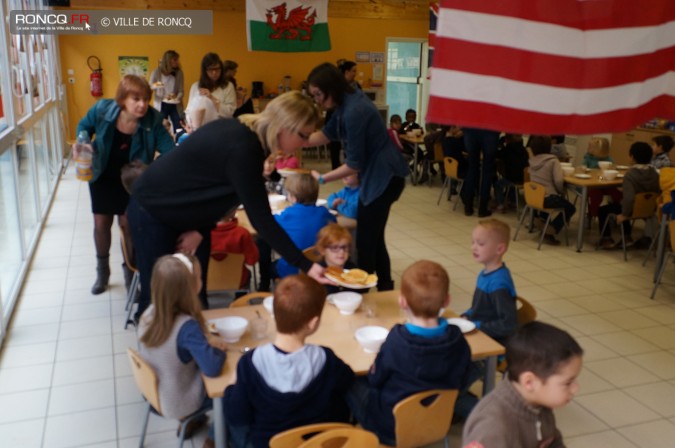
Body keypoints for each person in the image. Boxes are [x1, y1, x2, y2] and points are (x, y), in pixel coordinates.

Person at [127, 91, 331, 323]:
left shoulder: (251, 141)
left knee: (195, 294)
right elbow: (262, 220)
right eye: (303, 136)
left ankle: (196, 350)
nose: (305, 144)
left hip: (184, 213)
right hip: (152, 209)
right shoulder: (244, 147)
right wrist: (306, 264)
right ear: (283, 126)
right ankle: (154, 354)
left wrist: (200, 229)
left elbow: (209, 191)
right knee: (158, 297)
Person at [306, 62, 409, 291]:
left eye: (318, 94)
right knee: (374, 237)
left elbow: (354, 164)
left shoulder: (355, 111)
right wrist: (301, 140)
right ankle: (384, 288)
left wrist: (322, 179)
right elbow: (327, 133)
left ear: (331, 88)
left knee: (365, 241)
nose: (318, 100)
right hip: (382, 175)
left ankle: (361, 293)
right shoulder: (345, 104)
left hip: (385, 177)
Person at [347, 260, 473, 445]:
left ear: (402, 301)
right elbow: (462, 379)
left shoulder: (397, 340)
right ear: (447, 301)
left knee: (349, 380)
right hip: (435, 424)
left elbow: (376, 380)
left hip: (389, 428)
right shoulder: (458, 340)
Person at [223, 275, 355, 448]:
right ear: (313, 323)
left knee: (228, 424)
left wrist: (232, 385)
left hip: (268, 444)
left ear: (274, 314)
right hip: (316, 444)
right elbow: (348, 380)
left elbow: (236, 416)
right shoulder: (325, 358)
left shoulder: (250, 363)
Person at [74, 74, 175, 295]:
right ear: (123, 99)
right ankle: (103, 272)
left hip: (132, 180)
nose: (142, 105)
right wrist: (82, 140)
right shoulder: (102, 109)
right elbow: (84, 126)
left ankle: (130, 272)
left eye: (145, 99)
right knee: (101, 223)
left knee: (128, 224)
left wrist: (161, 168)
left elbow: (171, 152)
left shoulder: (153, 120)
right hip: (103, 174)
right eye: (135, 99)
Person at [138, 254, 227, 440]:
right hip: (179, 400)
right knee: (232, 389)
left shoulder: (148, 314)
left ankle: (191, 422)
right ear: (191, 288)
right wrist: (218, 351)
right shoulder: (187, 327)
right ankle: (215, 436)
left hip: (154, 394)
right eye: (199, 278)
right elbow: (212, 368)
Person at [462, 321, 583, 448]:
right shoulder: (492, 427)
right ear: (529, 382)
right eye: (568, 382)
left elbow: (552, 439)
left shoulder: (539, 403)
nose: (575, 388)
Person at [257, 173, 336, 289]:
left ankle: (264, 285)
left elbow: (269, 226)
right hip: (320, 267)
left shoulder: (286, 215)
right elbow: (334, 223)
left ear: (292, 197)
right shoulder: (324, 213)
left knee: (263, 244)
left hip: (291, 270)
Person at [462, 219, 517, 344]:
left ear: (499, 249)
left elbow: (508, 325)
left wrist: (476, 325)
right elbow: (480, 308)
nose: (473, 247)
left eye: (480, 244)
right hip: (481, 330)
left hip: (493, 341)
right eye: (473, 242)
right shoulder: (485, 273)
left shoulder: (498, 284)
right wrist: (467, 315)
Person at [598, 142, 661, 250]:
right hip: (649, 209)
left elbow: (629, 198)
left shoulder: (631, 175)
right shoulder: (654, 173)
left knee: (604, 210)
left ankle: (607, 238)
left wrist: (624, 215)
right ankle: (627, 238)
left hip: (633, 209)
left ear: (632, 157)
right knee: (623, 205)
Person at [528, 135, 577, 245]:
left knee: (551, 199)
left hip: (534, 197)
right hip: (548, 198)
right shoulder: (553, 161)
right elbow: (559, 181)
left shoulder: (532, 160)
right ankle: (551, 230)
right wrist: (560, 191)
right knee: (570, 208)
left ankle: (542, 222)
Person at [210, 209, 259, 289]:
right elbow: (252, 261)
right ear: (233, 211)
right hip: (238, 280)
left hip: (206, 280)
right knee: (247, 273)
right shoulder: (242, 233)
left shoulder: (199, 235)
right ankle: (239, 298)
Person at [185, 53, 235, 130]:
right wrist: (189, 124)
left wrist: (212, 98)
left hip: (221, 128)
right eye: (211, 70)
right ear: (205, 71)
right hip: (199, 129)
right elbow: (189, 110)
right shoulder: (195, 86)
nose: (214, 73)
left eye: (217, 69)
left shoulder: (228, 86)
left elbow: (229, 113)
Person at [461, 128, 500, 217]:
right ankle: (482, 208)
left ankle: (468, 207)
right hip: (491, 131)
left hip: (470, 130)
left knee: (472, 168)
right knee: (487, 170)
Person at [582, 136, 622, 218]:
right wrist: (584, 169)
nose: (588, 148)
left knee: (617, 193)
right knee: (595, 195)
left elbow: (613, 168)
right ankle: (592, 214)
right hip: (592, 184)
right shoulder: (588, 157)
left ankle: (616, 210)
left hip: (605, 183)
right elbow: (583, 168)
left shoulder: (609, 159)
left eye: (590, 146)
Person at [315, 223, 358, 294]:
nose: (341, 252)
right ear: (322, 250)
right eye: (335, 248)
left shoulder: (352, 269)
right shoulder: (318, 272)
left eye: (344, 247)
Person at [149, 50, 184, 133]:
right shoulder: (156, 72)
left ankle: (178, 144)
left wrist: (176, 98)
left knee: (178, 125)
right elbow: (149, 87)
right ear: (168, 60)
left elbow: (181, 91)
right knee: (161, 127)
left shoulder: (179, 73)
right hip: (161, 103)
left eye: (177, 59)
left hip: (175, 104)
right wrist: (155, 85)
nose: (177, 62)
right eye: (175, 59)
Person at [494, 134, 529, 212]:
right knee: (513, 183)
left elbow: (497, 154)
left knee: (498, 184)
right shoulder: (524, 150)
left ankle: (500, 204)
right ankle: (513, 201)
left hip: (512, 178)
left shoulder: (508, 150)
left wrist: (500, 144)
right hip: (524, 178)